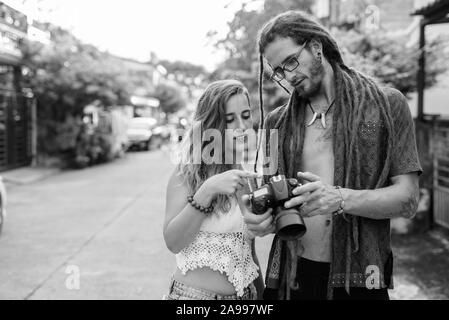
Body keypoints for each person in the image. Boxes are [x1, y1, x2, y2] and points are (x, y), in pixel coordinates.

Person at [243, 11, 422, 300]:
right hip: (291, 277)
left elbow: (408, 199)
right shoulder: (277, 122)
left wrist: (339, 198)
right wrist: (258, 219)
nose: (288, 76)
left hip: (361, 279)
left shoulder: (386, 105)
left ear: (316, 47)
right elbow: (274, 208)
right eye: (278, 71)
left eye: (291, 61)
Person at [163, 79, 267, 300]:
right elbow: (173, 242)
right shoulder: (188, 174)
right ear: (212, 125)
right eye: (230, 120)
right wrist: (207, 190)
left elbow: (247, 250)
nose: (242, 126)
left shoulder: (249, 173)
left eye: (246, 115)